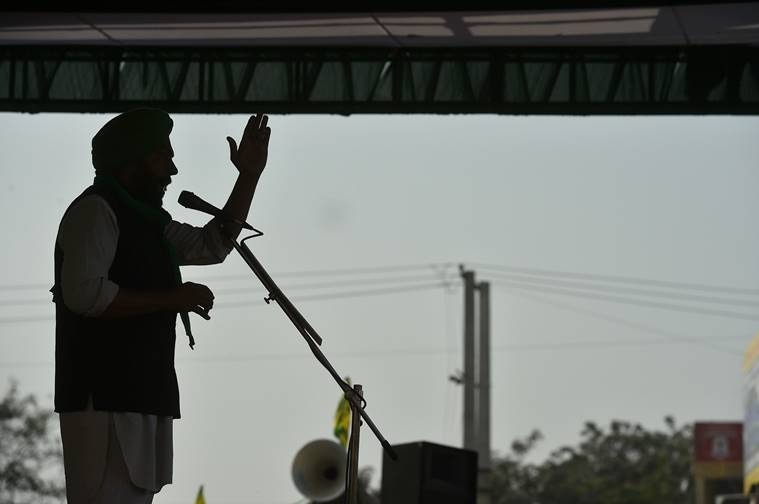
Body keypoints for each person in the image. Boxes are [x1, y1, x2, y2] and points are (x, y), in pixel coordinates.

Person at [52, 109, 271, 503]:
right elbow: (85, 295)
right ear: (132, 161)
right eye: (163, 157)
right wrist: (173, 299)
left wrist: (248, 175)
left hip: (142, 392)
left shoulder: (147, 222)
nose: (172, 170)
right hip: (103, 396)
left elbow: (213, 244)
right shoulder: (95, 212)